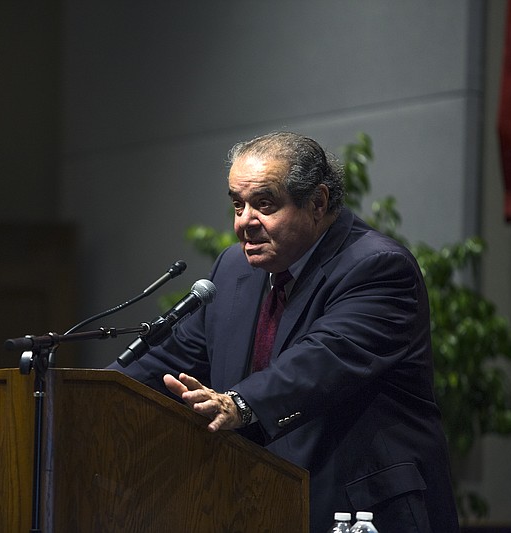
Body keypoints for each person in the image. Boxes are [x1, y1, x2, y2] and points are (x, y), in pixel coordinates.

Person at [109, 132, 459, 532]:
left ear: (317, 203)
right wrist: (87, 395)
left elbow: (321, 359)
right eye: (237, 205)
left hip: (360, 509)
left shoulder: (377, 267)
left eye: (264, 204)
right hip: (257, 506)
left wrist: (237, 403)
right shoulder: (234, 268)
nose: (244, 223)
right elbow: (169, 358)